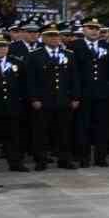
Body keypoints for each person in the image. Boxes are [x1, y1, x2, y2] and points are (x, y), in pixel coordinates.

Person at [26, 24, 79, 171]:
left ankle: (64, 159)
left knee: (64, 132)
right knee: (41, 132)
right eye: (50, 35)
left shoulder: (68, 54)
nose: (54, 38)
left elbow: (74, 78)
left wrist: (75, 97)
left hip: (63, 99)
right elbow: (31, 80)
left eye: (56, 35)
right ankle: (41, 160)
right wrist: (34, 98)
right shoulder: (35, 55)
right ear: (43, 38)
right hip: (43, 100)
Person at [72, 19, 109, 167]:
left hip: (103, 94)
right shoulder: (74, 46)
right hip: (84, 94)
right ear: (83, 29)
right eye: (90, 28)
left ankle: (100, 157)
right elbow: (74, 73)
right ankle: (83, 157)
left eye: (97, 28)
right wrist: (75, 94)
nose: (94, 31)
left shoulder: (107, 46)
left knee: (102, 127)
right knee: (83, 127)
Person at [0, 33, 26, 172]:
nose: (2, 49)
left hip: (12, 106)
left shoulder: (17, 63)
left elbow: (23, 84)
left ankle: (15, 163)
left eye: (4, 46)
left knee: (14, 137)